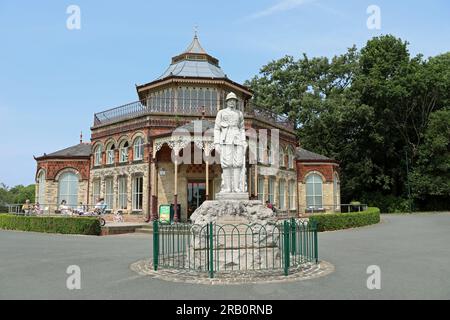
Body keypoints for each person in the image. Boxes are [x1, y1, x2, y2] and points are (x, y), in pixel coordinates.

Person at [214, 92, 247, 193]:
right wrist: (217, 143)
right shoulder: (221, 113)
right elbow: (216, 128)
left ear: (236, 102)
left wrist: (244, 141)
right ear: (227, 101)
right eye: (230, 100)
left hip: (237, 140)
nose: (232, 102)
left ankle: (236, 187)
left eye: (234, 100)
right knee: (227, 164)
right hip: (225, 139)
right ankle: (228, 188)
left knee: (238, 164)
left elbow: (242, 129)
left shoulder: (239, 114)